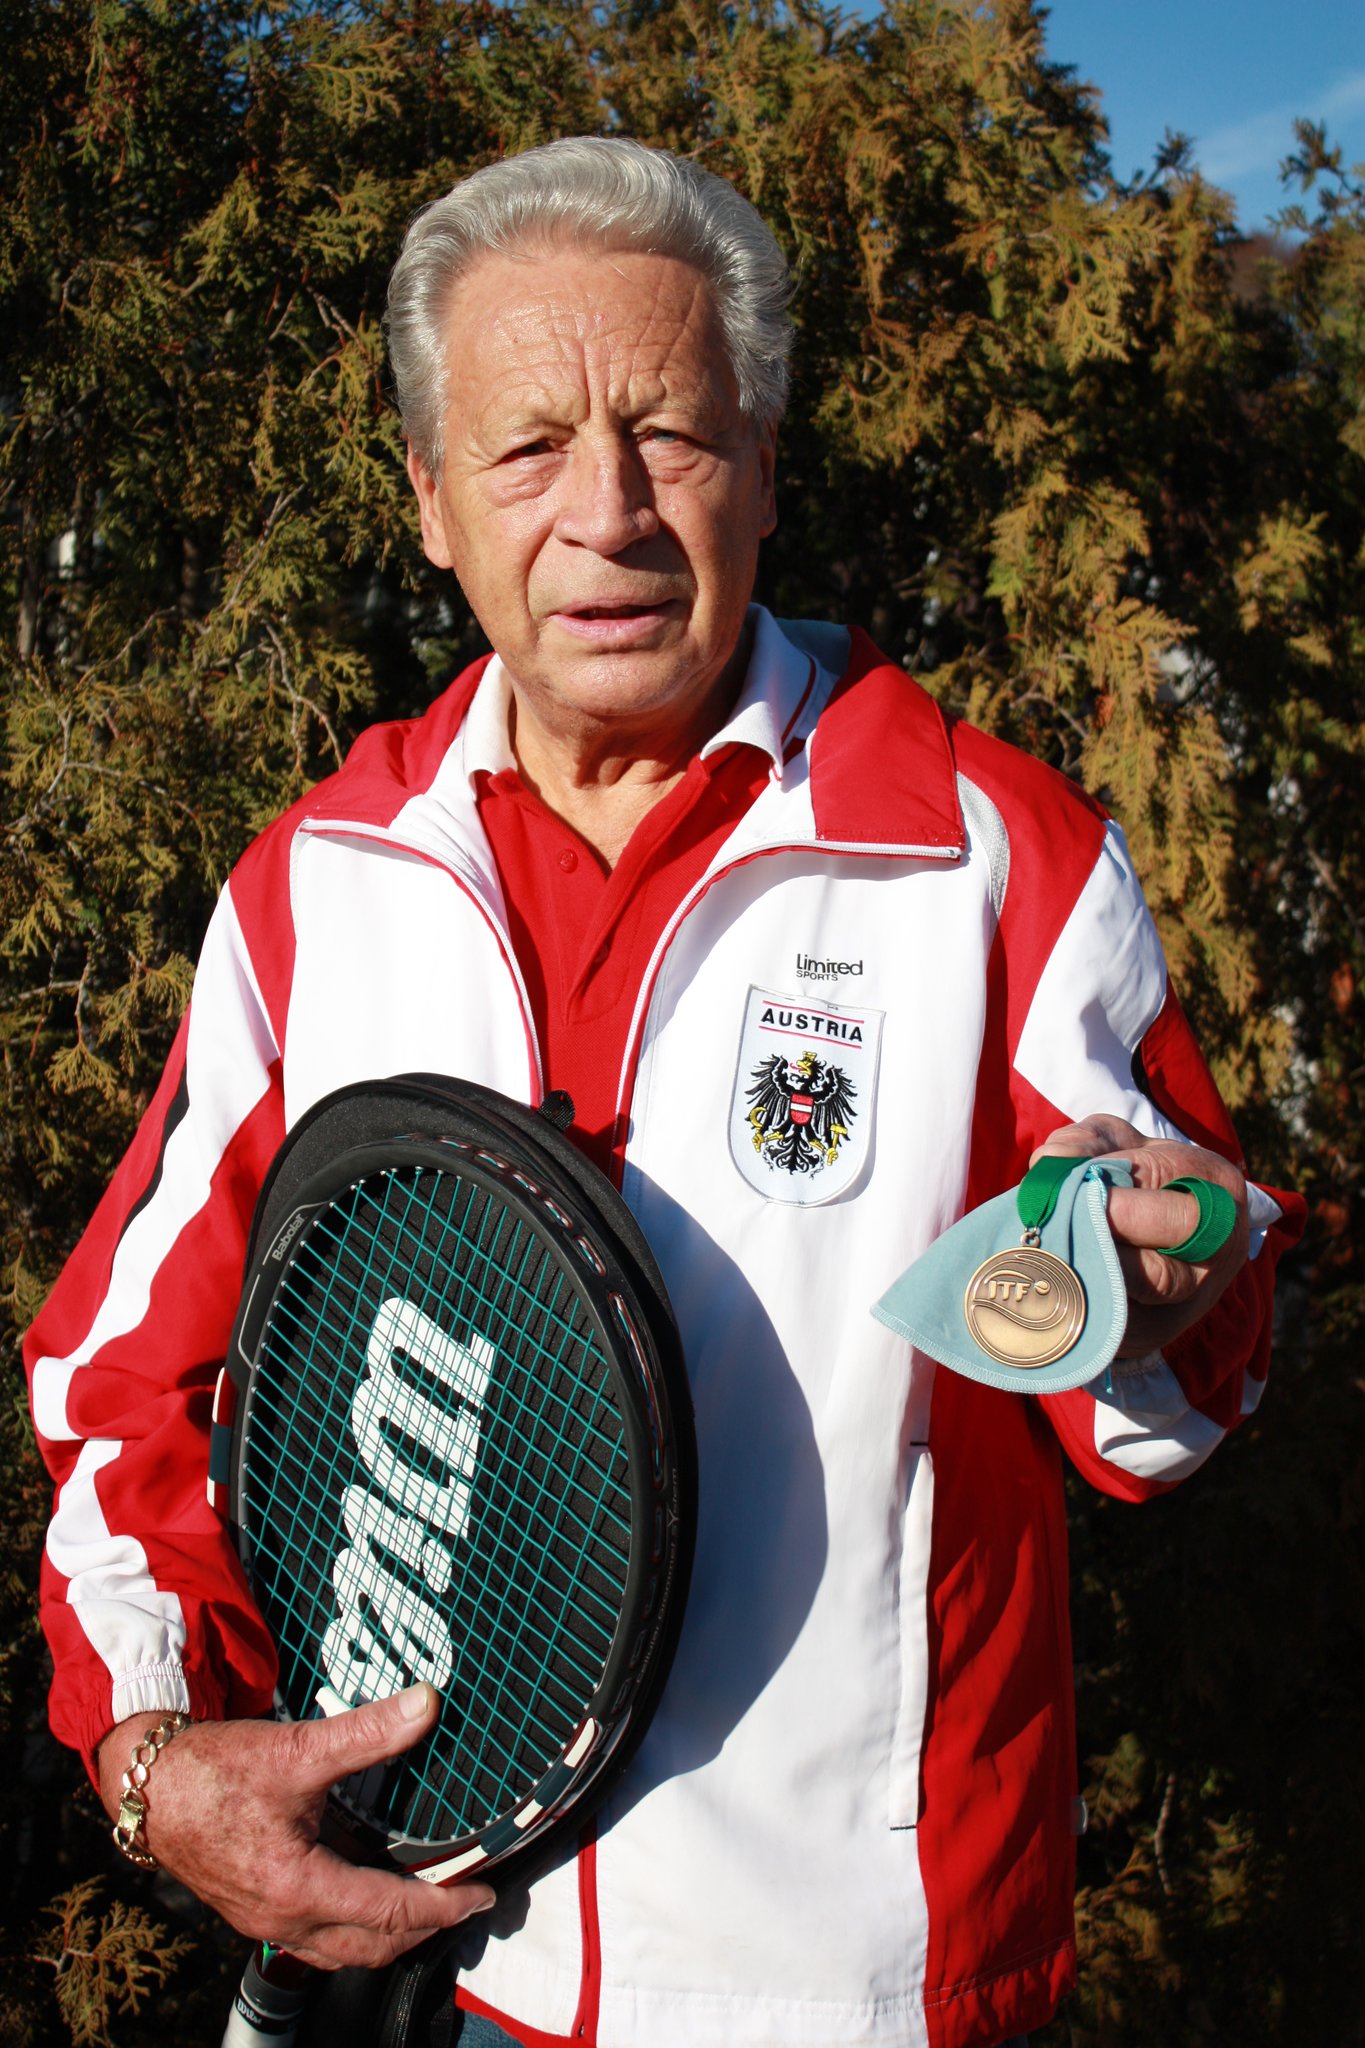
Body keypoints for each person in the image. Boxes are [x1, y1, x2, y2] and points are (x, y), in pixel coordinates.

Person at [25, 137, 1302, 2048]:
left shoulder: (987, 860)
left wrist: (1174, 1266)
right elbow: (117, 1386)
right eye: (528, 448)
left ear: (766, 471)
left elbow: (1174, 1409)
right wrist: (153, 1756)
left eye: (673, 436)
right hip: (427, 1984)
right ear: (431, 505)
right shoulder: (315, 890)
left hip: (859, 2002)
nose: (605, 514)